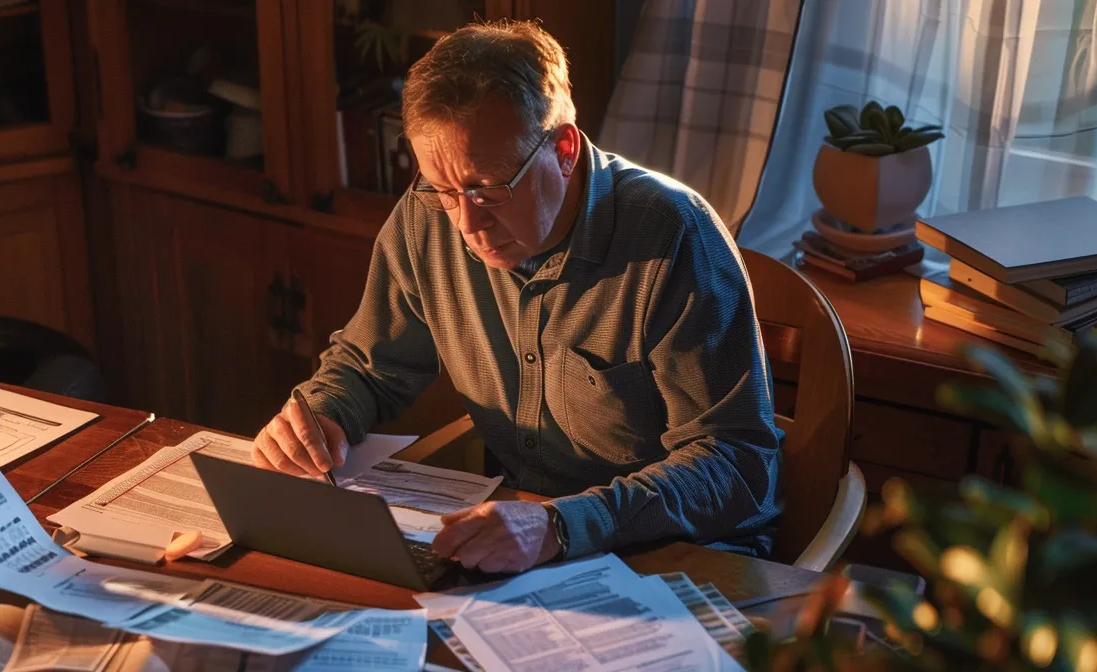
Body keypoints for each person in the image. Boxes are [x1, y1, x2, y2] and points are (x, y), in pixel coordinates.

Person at [252, 20, 782, 574]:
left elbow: (736, 463)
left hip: (677, 554)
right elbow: (369, 366)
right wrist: (320, 415)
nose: (467, 222)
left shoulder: (673, 234)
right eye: (444, 190)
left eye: (490, 188)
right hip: (518, 543)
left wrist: (560, 524)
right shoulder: (427, 214)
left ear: (565, 149)